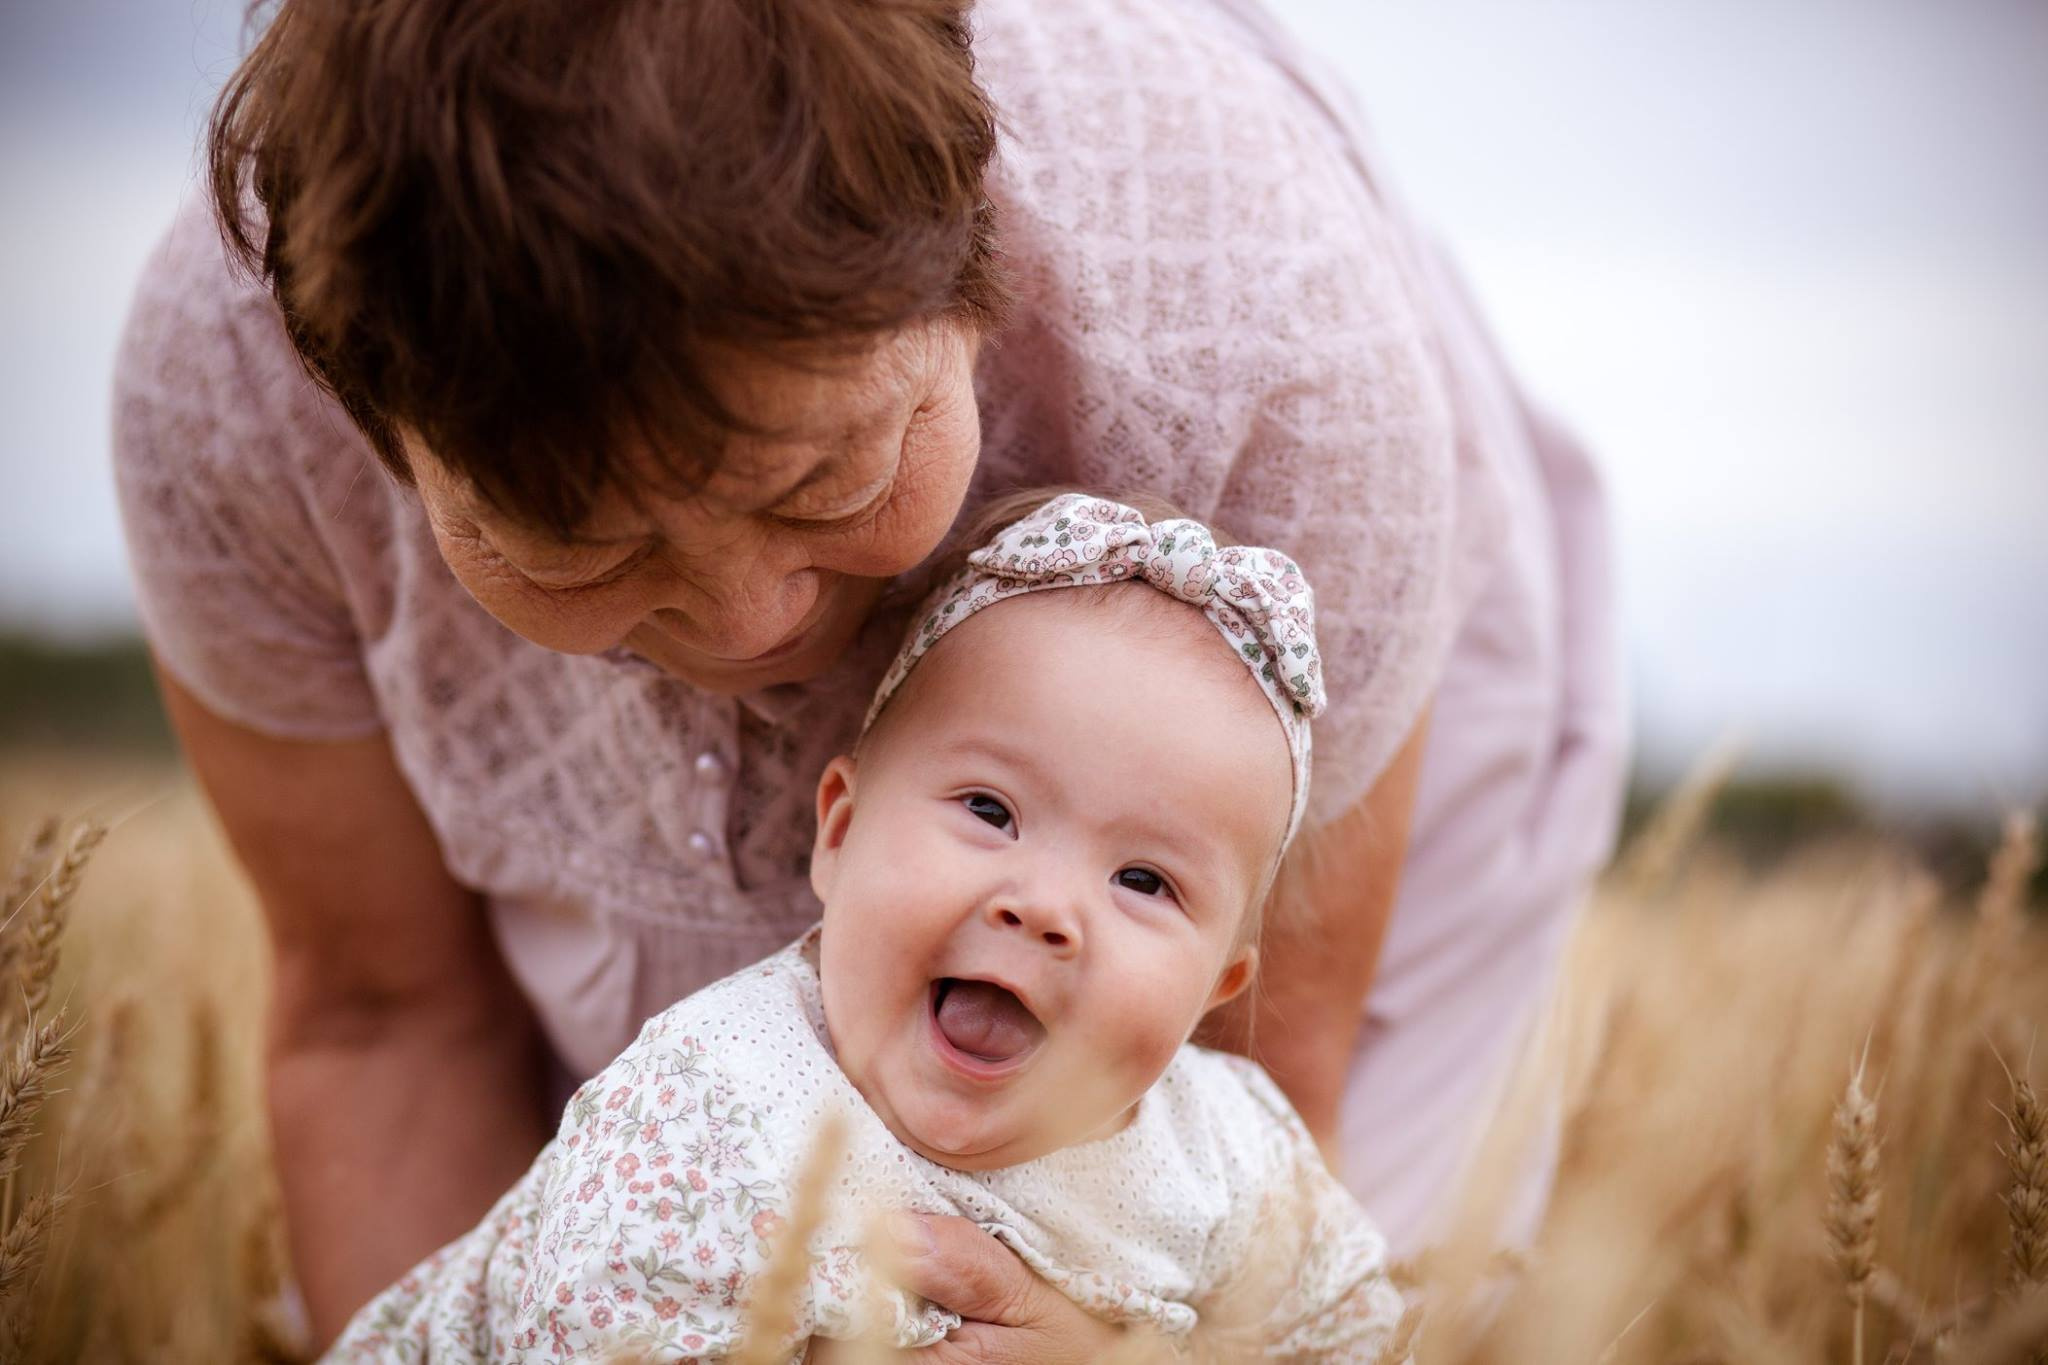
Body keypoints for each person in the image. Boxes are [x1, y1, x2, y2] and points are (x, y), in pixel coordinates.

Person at [112, 0, 1627, 1352]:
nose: (750, 627)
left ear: (971, 257)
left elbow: (1264, 1102)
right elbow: (387, 1019)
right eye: (581, 546)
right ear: (375, 436)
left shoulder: (1277, 346)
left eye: (829, 476)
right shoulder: (230, 397)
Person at [323, 491, 1407, 1362]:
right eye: (990, 811)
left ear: (1215, 989)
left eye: (1142, 880)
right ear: (838, 832)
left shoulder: (1227, 1157)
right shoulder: (707, 1119)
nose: (1043, 907)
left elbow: (1360, 1336)